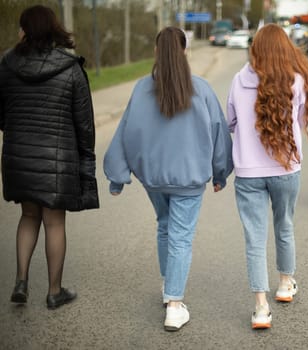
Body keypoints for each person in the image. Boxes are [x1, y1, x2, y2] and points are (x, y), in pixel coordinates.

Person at [103, 26, 233, 331]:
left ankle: (167, 287)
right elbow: (218, 133)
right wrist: (220, 173)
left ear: (155, 53)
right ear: (185, 50)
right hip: (188, 180)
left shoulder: (140, 88)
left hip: (154, 179)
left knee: (165, 226)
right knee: (181, 237)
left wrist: (118, 177)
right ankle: (175, 305)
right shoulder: (201, 89)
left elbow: (126, 133)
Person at [0, 5, 98, 310]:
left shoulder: (6, 64)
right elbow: (84, 123)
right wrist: (86, 159)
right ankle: (54, 291)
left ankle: (21, 281)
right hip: (57, 161)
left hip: (18, 157)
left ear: (25, 31)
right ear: (53, 29)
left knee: (28, 216)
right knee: (54, 223)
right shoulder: (70, 69)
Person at [226, 23, 308, 329]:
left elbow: (231, 122)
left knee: (255, 239)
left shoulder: (239, 81)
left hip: (248, 172)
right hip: (285, 168)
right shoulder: (295, 79)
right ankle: (285, 283)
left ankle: (260, 309)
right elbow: (302, 118)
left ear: (255, 48)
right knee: (285, 225)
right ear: (285, 48)